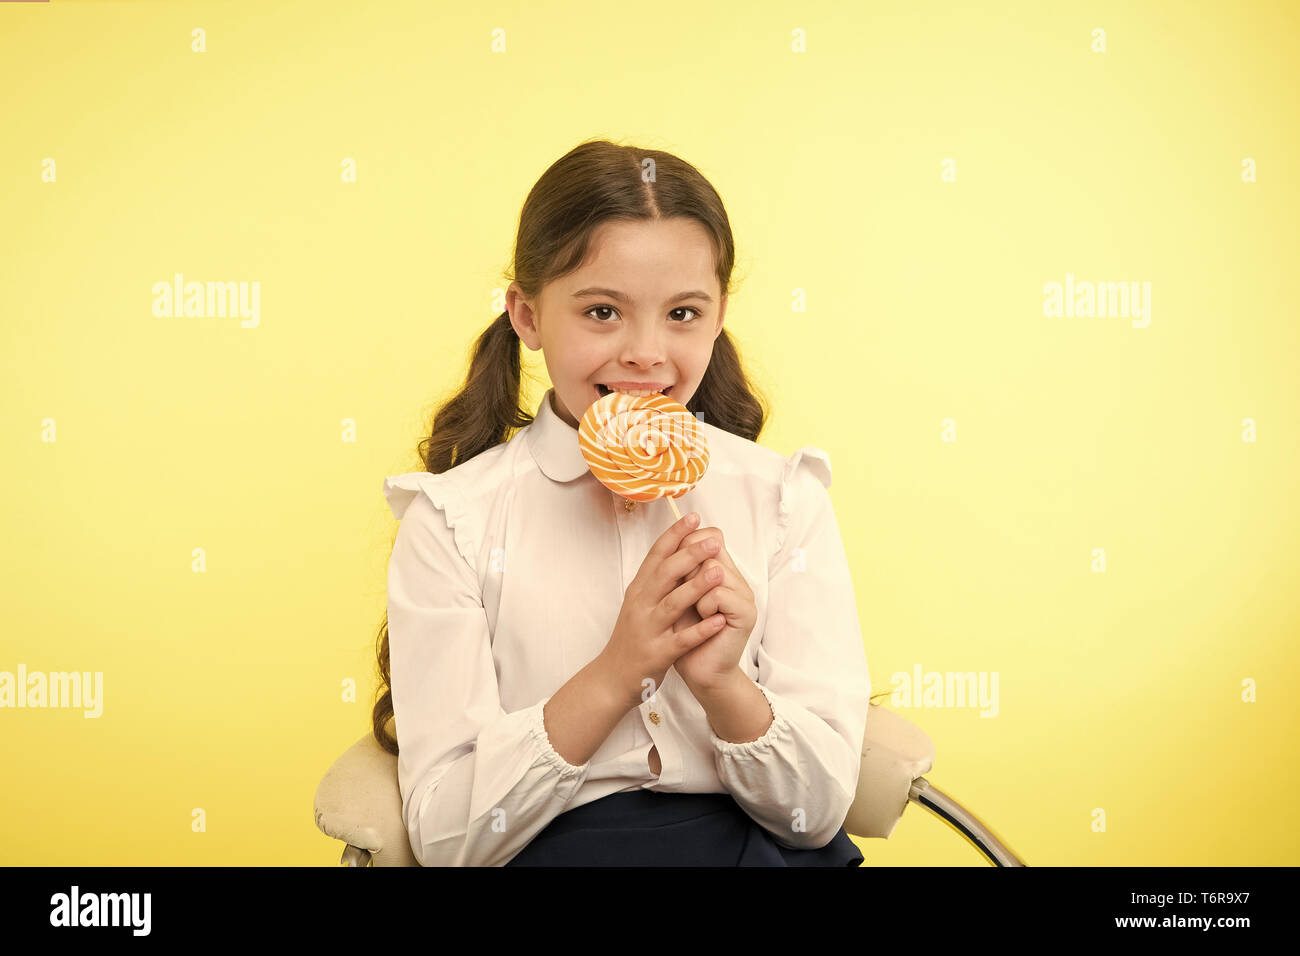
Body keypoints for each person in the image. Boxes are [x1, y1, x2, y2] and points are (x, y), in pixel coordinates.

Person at [371, 138, 875, 867]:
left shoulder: (784, 500)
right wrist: (619, 669)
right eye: (603, 311)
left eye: (683, 313)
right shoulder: (452, 522)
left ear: (719, 317)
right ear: (527, 316)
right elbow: (447, 839)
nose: (645, 351)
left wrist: (724, 684)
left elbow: (818, 813)